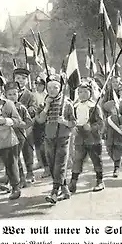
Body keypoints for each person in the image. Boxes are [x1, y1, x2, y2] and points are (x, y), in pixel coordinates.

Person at [35, 74, 76, 204]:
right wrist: (46, 106)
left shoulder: (67, 103)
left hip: (63, 137)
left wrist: (64, 122)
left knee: (60, 164)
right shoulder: (43, 104)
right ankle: (64, 190)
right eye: (49, 87)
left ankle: (54, 192)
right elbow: (40, 120)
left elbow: (74, 123)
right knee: (53, 165)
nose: (52, 90)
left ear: (60, 88)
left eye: (55, 87)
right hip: (49, 137)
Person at [69, 80, 105, 193]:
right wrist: (72, 128)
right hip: (80, 136)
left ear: (90, 92)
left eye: (85, 92)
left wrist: (92, 127)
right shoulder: (75, 107)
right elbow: (72, 120)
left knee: (96, 159)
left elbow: (101, 123)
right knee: (77, 159)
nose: (82, 94)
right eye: (80, 92)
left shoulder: (94, 107)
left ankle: (100, 181)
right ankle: (73, 182)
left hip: (92, 137)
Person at [0, 81, 33, 191]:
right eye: (10, 94)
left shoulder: (21, 108)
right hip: (6, 136)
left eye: (15, 94)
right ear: (5, 95)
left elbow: (28, 122)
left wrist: (18, 123)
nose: (12, 96)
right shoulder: (2, 107)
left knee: (13, 159)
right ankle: (20, 180)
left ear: (18, 94)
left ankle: (14, 182)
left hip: (19, 137)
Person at [13, 67, 38, 183]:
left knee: (27, 150)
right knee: (13, 150)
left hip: (26, 126)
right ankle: (16, 174)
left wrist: (24, 110)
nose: (20, 80)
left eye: (23, 78)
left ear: (27, 80)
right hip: (13, 126)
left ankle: (30, 172)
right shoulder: (9, 93)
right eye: (18, 78)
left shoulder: (30, 95)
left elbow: (34, 108)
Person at [104, 100, 122, 178]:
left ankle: (116, 169)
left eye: (116, 109)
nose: (114, 110)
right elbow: (104, 129)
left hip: (119, 139)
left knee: (117, 154)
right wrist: (103, 135)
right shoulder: (107, 120)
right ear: (110, 111)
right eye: (112, 109)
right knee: (110, 153)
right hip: (109, 140)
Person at [32, 76, 50, 177]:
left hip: (46, 121)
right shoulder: (33, 95)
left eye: (40, 85)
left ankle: (47, 166)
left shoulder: (47, 95)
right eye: (36, 85)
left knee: (45, 145)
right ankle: (40, 162)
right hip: (36, 121)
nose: (38, 87)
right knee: (37, 143)